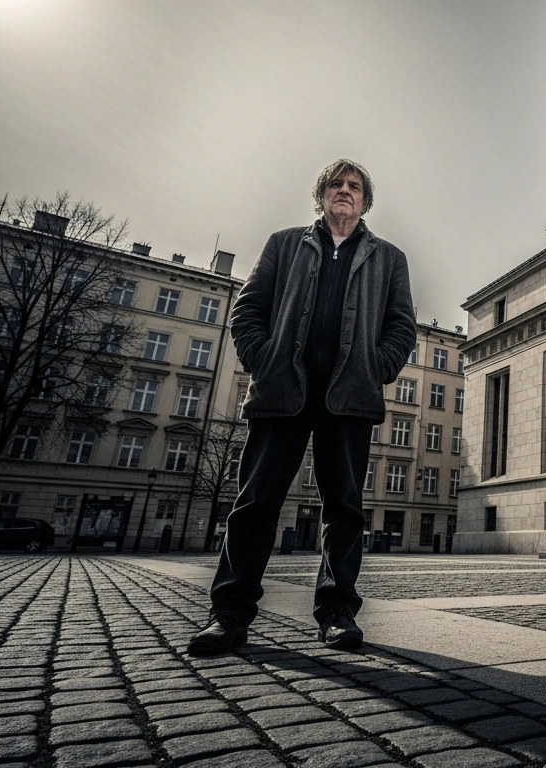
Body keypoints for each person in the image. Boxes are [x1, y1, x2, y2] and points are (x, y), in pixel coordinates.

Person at [188, 159, 416, 655]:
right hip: (282, 394)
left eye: (354, 186)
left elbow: (401, 326)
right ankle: (229, 615)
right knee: (254, 505)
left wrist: (375, 367)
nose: (345, 191)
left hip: (349, 398)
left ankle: (337, 613)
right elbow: (247, 310)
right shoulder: (284, 244)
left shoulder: (388, 258)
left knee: (345, 510)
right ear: (321, 195)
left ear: (365, 201)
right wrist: (264, 359)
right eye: (336, 184)